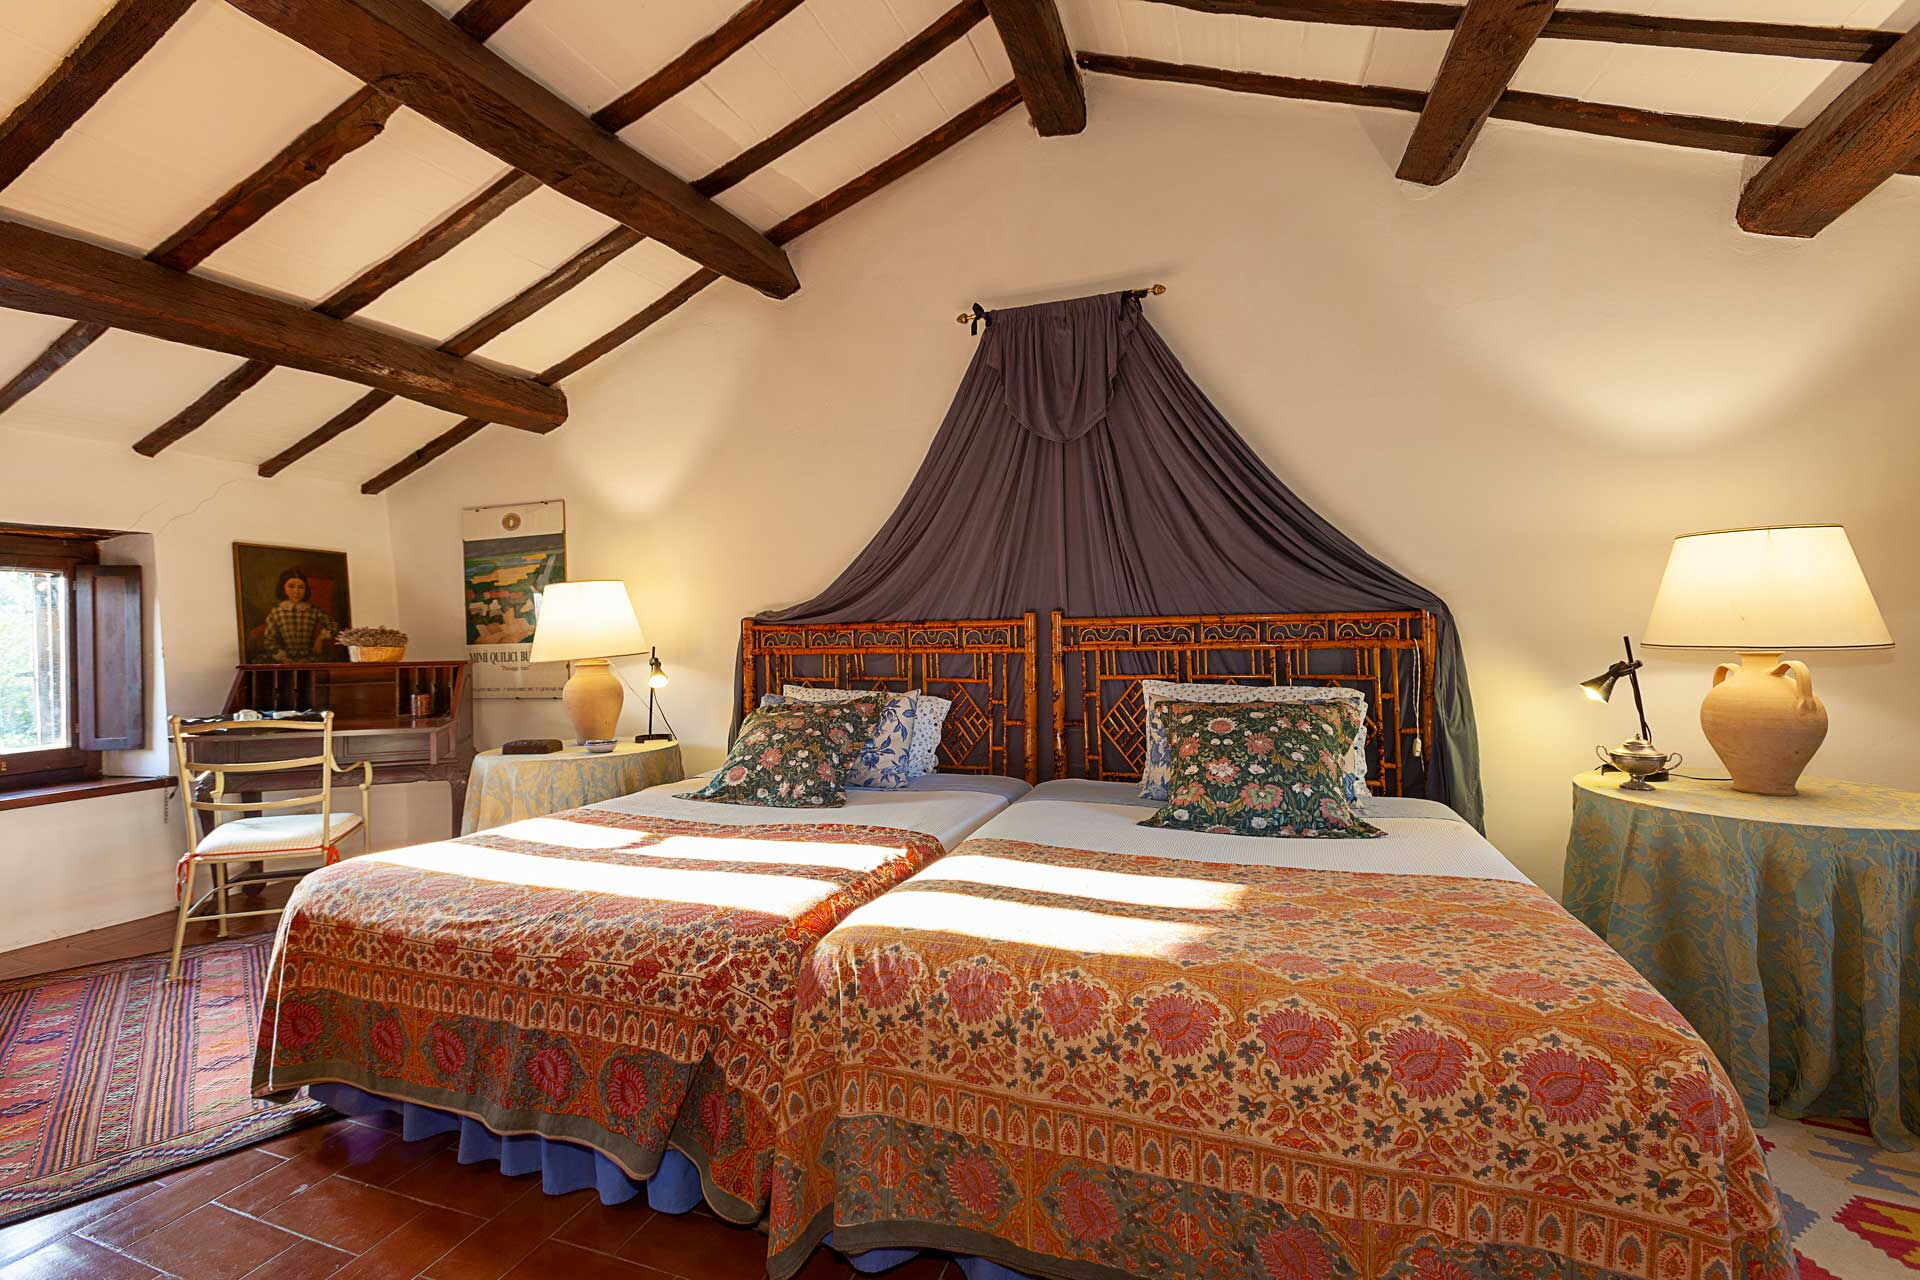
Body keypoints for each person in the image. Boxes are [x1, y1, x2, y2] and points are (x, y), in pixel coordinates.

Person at [259, 567, 337, 662]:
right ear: (283, 587)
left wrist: (320, 638)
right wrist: (282, 657)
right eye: (291, 586)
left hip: (310, 657)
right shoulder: (276, 612)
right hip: (285, 659)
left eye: (301, 587)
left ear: (306, 589)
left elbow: (333, 625)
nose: (296, 592)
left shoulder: (313, 610)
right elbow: (269, 640)